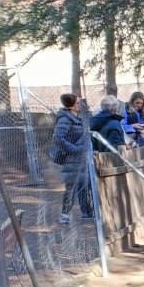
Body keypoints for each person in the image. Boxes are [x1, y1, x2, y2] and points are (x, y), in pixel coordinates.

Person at [51, 93, 93, 223]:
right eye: (78, 102)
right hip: (72, 160)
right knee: (71, 188)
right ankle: (64, 215)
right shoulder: (65, 119)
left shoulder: (77, 118)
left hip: (82, 159)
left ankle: (87, 213)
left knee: (84, 187)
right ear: (72, 105)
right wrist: (74, 150)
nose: (81, 105)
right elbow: (57, 139)